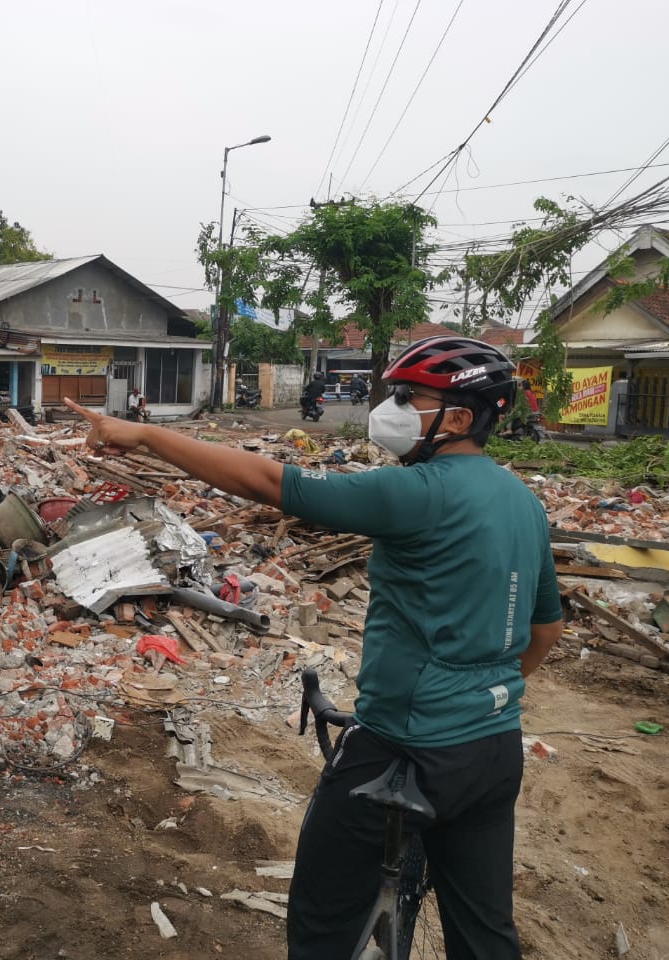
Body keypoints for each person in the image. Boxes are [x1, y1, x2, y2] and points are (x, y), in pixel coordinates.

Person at [64, 336, 562, 960]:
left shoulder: (418, 492)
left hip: (404, 753)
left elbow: (272, 482)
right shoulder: (524, 502)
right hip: (492, 752)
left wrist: (140, 435)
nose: (393, 407)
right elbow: (545, 631)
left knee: (323, 923)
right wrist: (476, 698)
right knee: (485, 933)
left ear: (459, 418)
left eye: (409, 397)